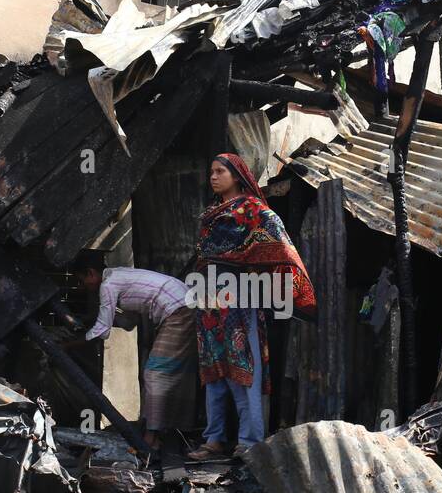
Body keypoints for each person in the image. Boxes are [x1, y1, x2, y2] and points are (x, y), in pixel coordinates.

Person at [188, 153, 315, 460]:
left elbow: (278, 242)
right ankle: (214, 439)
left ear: (237, 175)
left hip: (239, 298)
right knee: (213, 371)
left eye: (220, 172)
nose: (214, 177)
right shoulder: (212, 213)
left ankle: (250, 441)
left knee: (244, 369)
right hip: (209, 302)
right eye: (212, 172)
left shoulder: (254, 211)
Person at [74, 260, 197, 451]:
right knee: (175, 375)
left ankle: (151, 438)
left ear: (91, 272)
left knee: (155, 373)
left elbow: (102, 330)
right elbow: (129, 322)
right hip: (183, 305)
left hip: (178, 310)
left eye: (82, 282)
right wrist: (95, 319)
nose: (82, 288)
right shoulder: (118, 277)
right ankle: (171, 431)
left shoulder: (108, 285)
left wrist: (70, 344)